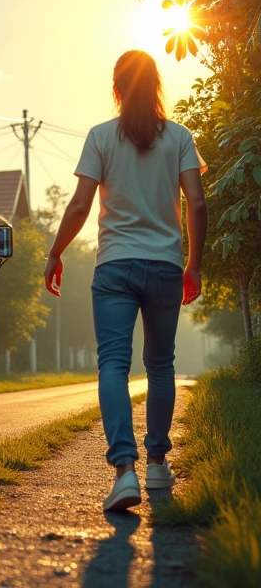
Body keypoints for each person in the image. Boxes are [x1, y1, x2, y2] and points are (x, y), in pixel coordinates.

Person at [43, 50, 207, 513]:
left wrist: (55, 254)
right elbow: (196, 203)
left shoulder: (100, 138)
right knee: (160, 365)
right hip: (164, 268)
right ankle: (156, 463)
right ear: (157, 86)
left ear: (116, 88)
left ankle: (124, 472)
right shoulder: (180, 138)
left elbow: (78, 207)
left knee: (113, 365)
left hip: (114, 267)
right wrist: (193, 264)